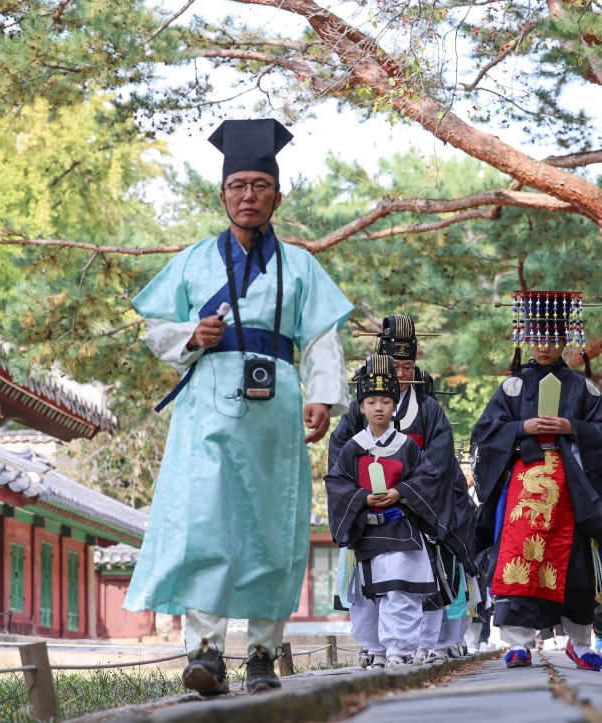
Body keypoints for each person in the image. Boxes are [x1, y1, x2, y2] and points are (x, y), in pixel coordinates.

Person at [124, 118, 353, 695]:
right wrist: (189, 335)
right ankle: (203, 652)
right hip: (206, 403)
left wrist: (324, 396)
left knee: (271, 527)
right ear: (222, 194)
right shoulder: (196, 259)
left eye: (259, 185)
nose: (247, 195)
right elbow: (153, 331)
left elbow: (323, 337)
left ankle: (260, 654)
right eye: (237, 186)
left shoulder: (300, 265)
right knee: (206, 523)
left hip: (275, 407)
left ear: (277, 194)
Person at [471, 290, 602, 671]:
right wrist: (522, 427)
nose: (543, 347)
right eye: (536, 339)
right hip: (523, 482)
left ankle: (580, 640)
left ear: (564, 340)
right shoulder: (512, 387)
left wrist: (571, 427)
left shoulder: (582, 389)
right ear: (526, 339)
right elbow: (484, 432)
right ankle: (518, 641)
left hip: (570, 487)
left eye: (552, 340)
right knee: (520, 552)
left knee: (573, 560)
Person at [327, 315, 474, 666]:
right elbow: (340, 457)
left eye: (408, 365)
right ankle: (373, 645)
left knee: (411, 580)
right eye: (396, 365)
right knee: (368, 580)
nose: (402, 371)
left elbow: (436, 464)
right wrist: (361, 497)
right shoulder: (357, 411)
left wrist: (404, 492)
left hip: (415, 505)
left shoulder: (429, 409)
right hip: (367, 507)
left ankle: (418, 644)